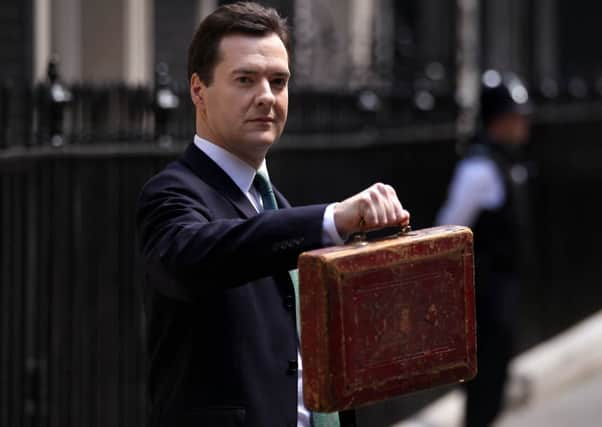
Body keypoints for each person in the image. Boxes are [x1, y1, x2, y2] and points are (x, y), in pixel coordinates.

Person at [136, 3, 410, 427]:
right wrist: (331, 220)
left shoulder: (276, 204)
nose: (266, 95)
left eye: (278, 81)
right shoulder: (171, 193)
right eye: (245, 79)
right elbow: (195, 257)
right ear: (198, 90)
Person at [436, 70, 534, 427]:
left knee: (495, 384)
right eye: (516, 117)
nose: (524, 125)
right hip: (484, 298)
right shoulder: (478, 169)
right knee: (482, 390)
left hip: (504, 294)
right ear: (500, 120)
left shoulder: (508, 162)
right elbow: (447, 227)